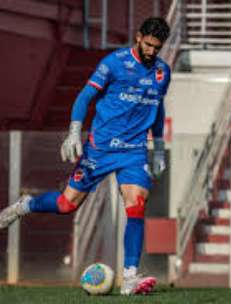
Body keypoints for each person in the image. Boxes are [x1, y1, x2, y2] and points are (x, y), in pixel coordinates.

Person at [0, 17, 171, 295]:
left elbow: (157, 108)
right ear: (139, 37)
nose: (152, 51)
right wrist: (74, 131)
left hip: (133, 151)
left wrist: (159, 145)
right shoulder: (114, 62)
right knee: (66, 204)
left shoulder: (163, 72)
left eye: (157, 47)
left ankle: (129, 277)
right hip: (100, 148)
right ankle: (25, 205)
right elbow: (84, 97)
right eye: (148, 44)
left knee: (137, 203)